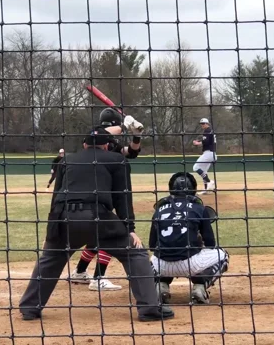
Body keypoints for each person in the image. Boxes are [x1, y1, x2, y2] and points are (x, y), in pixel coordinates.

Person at [19, 127, 173, 322]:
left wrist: (51, 232)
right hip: (98, 218)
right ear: (107, 146)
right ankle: (150, 310)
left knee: (50, 259)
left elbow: (57, 197)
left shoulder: (66, 160)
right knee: (136, 254)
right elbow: (122, 198)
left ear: (84, 144)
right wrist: (130, 229)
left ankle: (29, 308)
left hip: (64, 218)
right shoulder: (117, 160)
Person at [68, 108, 144, 291]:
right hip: (97, 192)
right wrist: (125, 125)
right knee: (112, 232)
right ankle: (98, 278)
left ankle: (80, 272)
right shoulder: (95, 134)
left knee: (98, 235)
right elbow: (100, 134)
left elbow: (131, 153)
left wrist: (136, 136)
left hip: (104, 191)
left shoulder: (110, 143)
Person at [149, 172, 229, 305]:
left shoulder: (159, 210)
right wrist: (197, 241)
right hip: (191, 265)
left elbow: (152, 245)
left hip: (162, 266)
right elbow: (210, 243)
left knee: (152, 260)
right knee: (223, 254)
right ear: (193, 189)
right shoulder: (199, 208)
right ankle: (200, 287)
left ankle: (160, 285)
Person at [192, 118, 217, 195]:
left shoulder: (207, 131)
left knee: (195, 167)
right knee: (204, 172)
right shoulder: (210, 131)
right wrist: (199, 142)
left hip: (208, 153)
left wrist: (197, 143)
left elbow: (205, 142)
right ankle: (206, 190)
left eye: (203, 123)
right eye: (201, 124)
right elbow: (208, 141)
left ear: (207, 124)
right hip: (212, 154)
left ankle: (209, 182)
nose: (202, 125)